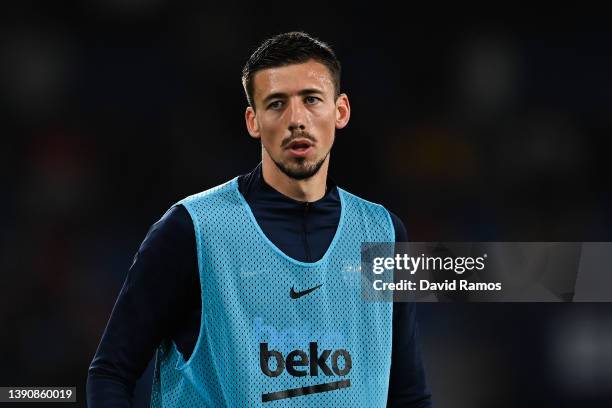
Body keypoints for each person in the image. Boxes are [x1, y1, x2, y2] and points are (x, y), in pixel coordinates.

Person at [87, 31, 432, 407]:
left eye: (312, 100)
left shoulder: (383, 233)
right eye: (276, 104)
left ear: (341, 111)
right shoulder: (192, 230)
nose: (296, 119)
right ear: (253, 120)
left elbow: (408, 394)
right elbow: (110, 373)